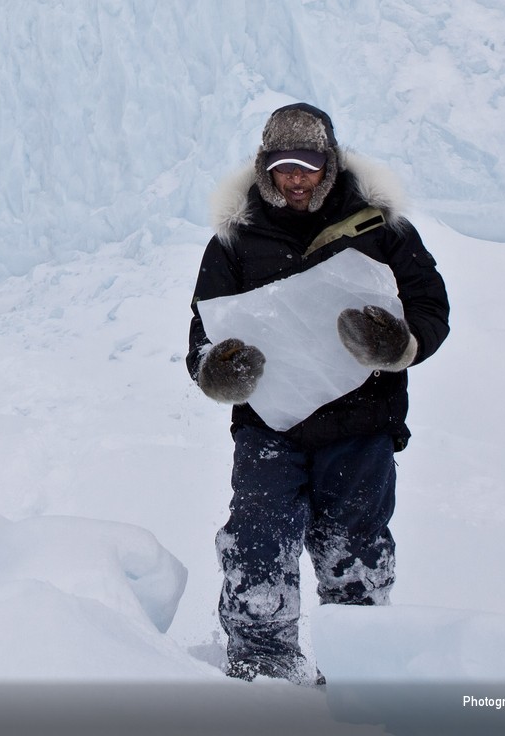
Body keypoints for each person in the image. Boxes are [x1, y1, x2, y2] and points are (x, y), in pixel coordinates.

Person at [186, 102, 450, 685]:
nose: (295, 178)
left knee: (354, 552)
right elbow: (204, 336)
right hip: (269, 429)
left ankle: (356, 676)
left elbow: (431, 306)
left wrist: (400, 346)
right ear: (265, 168)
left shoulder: (381, 227)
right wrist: (220, 372)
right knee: (257, 546)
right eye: (283, 166)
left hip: (361, 424)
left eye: (307, 164)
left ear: (327, 163)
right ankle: (262, 674)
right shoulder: (234, 240)